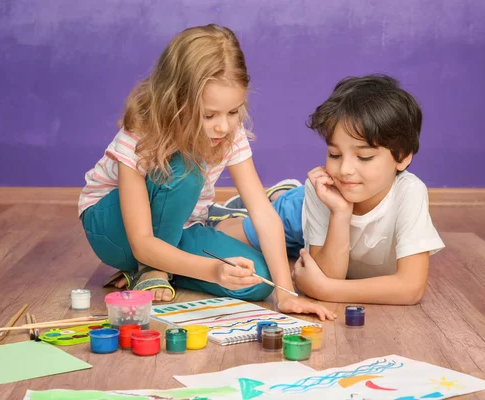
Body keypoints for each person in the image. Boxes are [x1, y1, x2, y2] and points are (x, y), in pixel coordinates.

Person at [78, 24, 335, 320]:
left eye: (233, 111)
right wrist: (212, 270)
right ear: (174, 101)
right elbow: (142, 242)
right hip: (115, 229)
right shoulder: (142, 132)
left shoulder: (228, 132)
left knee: (253, 280)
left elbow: (264, 214)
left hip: (178, 228)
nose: (223, 126)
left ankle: (165, 267)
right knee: (186, 169)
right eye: (209, 115)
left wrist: (286, 293)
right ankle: (151, 268)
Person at [211, 74, 445, 305]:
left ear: (402, 157)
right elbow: (326, 274)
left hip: (317, 226)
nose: (344, 170)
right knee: (224, 229)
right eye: (334, 154)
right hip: (299, 214)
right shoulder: (324, 189)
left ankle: (284, 192)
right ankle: (276, 197)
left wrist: (326, 289)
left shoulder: (410, 193)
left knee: (292, 251)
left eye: (364, 157)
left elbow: (411, 288)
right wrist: (340, 214)